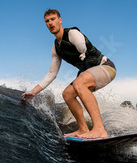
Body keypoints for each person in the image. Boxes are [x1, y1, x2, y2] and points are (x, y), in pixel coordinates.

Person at [22, 9, 116, 139]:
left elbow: (81, 43)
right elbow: (51, 74)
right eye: (47, 21)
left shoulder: (72, 33)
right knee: (67, 94)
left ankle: (99, 129)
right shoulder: (56, 48)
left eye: (53, 19)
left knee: (79, 83)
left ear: (60, 20)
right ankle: (83, 129)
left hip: (105, 67)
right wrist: (34, 91)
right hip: (89, 73)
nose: (50, 23)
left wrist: (82, 49)